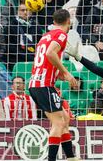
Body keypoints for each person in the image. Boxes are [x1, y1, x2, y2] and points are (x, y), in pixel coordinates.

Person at [28, 9, 79, 161]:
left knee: (64, 118)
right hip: (43, 85)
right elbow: (51, 54)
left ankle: (70, 156)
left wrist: (59, 75)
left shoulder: (45, 36)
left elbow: (45, 62)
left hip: (37, 83)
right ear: (69, 21)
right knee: (58, 122)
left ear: (54, 21)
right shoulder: (61, 35)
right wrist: (67, 73)